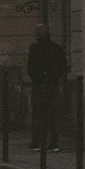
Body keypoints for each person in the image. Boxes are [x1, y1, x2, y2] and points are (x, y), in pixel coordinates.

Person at [27, 23, 67, 152]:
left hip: (40, 85)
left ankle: (38, 142)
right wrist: (52, 75)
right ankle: (53, 143)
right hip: (52, 84)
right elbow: (62, 67)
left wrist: (39, 77)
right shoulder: (56, 48)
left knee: (38, 114)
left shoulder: (34, 48)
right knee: (52, 115)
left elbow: (30, 68)